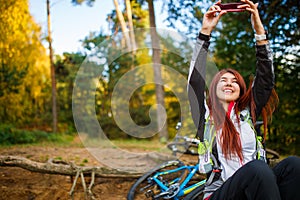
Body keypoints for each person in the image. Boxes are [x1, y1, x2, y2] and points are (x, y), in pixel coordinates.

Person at [187, 0, 300, 199]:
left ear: (241, 90)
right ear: (214, 88)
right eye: (223, 80)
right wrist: (205, 31)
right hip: (223, 192)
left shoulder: (248, 114)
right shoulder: (205, 117)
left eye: (234, 81)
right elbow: (194, 81)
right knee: (257, 169)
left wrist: (259, 30)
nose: (229, 83)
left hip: (256, 186)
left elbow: (265, 77)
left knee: (293, 165)